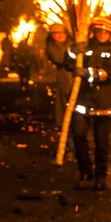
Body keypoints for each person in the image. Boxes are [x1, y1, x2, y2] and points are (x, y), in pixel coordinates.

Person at [64, 16, 111, 191]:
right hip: (82, 100)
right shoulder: (84, 47)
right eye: (99, 31)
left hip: (103, 102)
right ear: (94, 32)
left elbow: (108, 74)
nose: (102, 34)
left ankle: (101, 175)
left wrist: (87, 72)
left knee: (101, 141)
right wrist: (72, 51)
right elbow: (67, 63)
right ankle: (85, 171)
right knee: (79, 137)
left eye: (106, 31)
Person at [45, 23, 74, 161]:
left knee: (79, 118)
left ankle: (78, 148)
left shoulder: (73, 42)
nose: (58, 36)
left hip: (79, 84)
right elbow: (61, 60)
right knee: (65, 117)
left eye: (60, 33)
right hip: (64, 85)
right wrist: (74, 52)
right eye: (55, 34)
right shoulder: (51, 47)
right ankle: (69, 148)